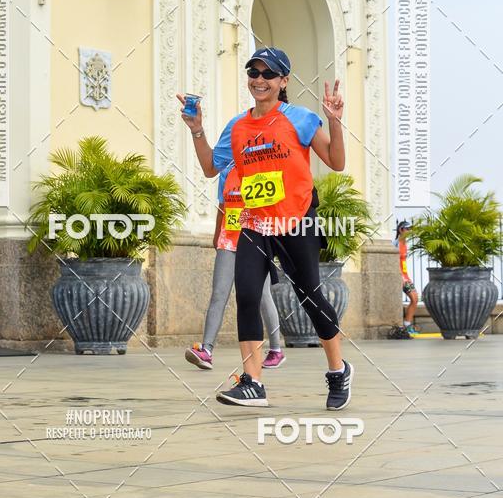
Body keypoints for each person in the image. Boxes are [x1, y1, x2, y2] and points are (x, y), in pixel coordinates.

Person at [177, 46, 353, 409]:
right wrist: (197, 131)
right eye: (253, 73)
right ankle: (253, 381)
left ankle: (338, 370)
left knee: (309, 296)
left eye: (268, 74)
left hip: (296, 219)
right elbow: (212, 167)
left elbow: (336, 162)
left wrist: (334, 120)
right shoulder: (238, 126)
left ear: (283, 81)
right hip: (255, 223)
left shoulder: (300, 119)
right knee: (246, 296)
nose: (259, 80)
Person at [184, 162, 285, 371]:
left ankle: (276, 350)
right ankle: (207, 350)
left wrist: (272, 242)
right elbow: (223, 206)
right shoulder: (227, 173)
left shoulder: (263, 170)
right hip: (228, 241)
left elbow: (273, 208)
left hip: (256, 240)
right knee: (219, 293)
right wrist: (216, 235)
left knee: (263, 296)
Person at [395, 220, 418, 335]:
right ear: (401, 230)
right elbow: (394, 262)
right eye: (408, 229)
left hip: (406, 276)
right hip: (401, 277)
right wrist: (401, 278)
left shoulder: (405, 243)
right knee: (414, 299)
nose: (410, 231)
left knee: (415, 299)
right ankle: (407, 326)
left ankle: (407, 325)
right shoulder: (396, 244)